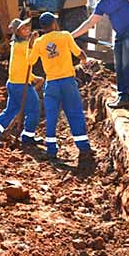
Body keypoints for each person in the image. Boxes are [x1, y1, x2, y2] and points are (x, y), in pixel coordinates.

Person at [28, 12, 94, 162]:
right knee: (75, 113)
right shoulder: (65, 36)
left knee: (51, 117)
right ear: (54, 24)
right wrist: (84, 61)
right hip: (68, 83)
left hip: (51, 84)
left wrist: (31, 44)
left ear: (42, 27)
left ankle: (51, 150)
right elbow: (79, 53)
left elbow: (30, 61)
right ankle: (83, 147)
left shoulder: (39, 42)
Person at [0, 18, 42, 147]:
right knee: (34, 109)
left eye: (27, 27)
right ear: (18, 32)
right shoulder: (22, 45)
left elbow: (22, 67)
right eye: (23, 28)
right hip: (21, 85)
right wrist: (36, 42)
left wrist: (33, 77)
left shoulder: (17, 44)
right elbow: (31, 60)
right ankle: (28, 137)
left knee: (10, 111)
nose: (27, 29)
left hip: (14, 83)